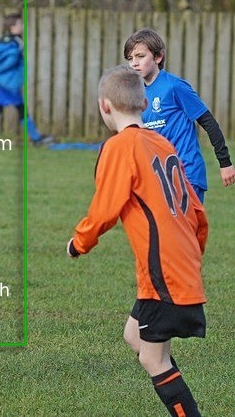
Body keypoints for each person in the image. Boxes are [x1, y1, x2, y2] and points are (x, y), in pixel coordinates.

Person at [68, 65, 207, 417]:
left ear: (104, 106)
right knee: (134, 335)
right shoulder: (162, 143)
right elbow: (196, 212)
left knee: (152, 357)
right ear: (145, 101)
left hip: (165, 271)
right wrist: (193, 255)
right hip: (180, 263)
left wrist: (78, 243)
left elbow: (104, 210)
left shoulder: (119, 146)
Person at [124, 28, 235, 203]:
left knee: (186, 231)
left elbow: (208, 122)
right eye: (130, 58)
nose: (134, 63)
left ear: (158, 57)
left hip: (186, 175)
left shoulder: (175, 86)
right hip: (159, 177)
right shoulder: (138, 94)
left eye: (140, 56)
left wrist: (225, 163)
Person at [0, 12, 52, 145]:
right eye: (20, 23)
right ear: (12, 27)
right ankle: (36, 138)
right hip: (9, 83)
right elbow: (11, 61)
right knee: (20, 109)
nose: (22, 26)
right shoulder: (17, 43)